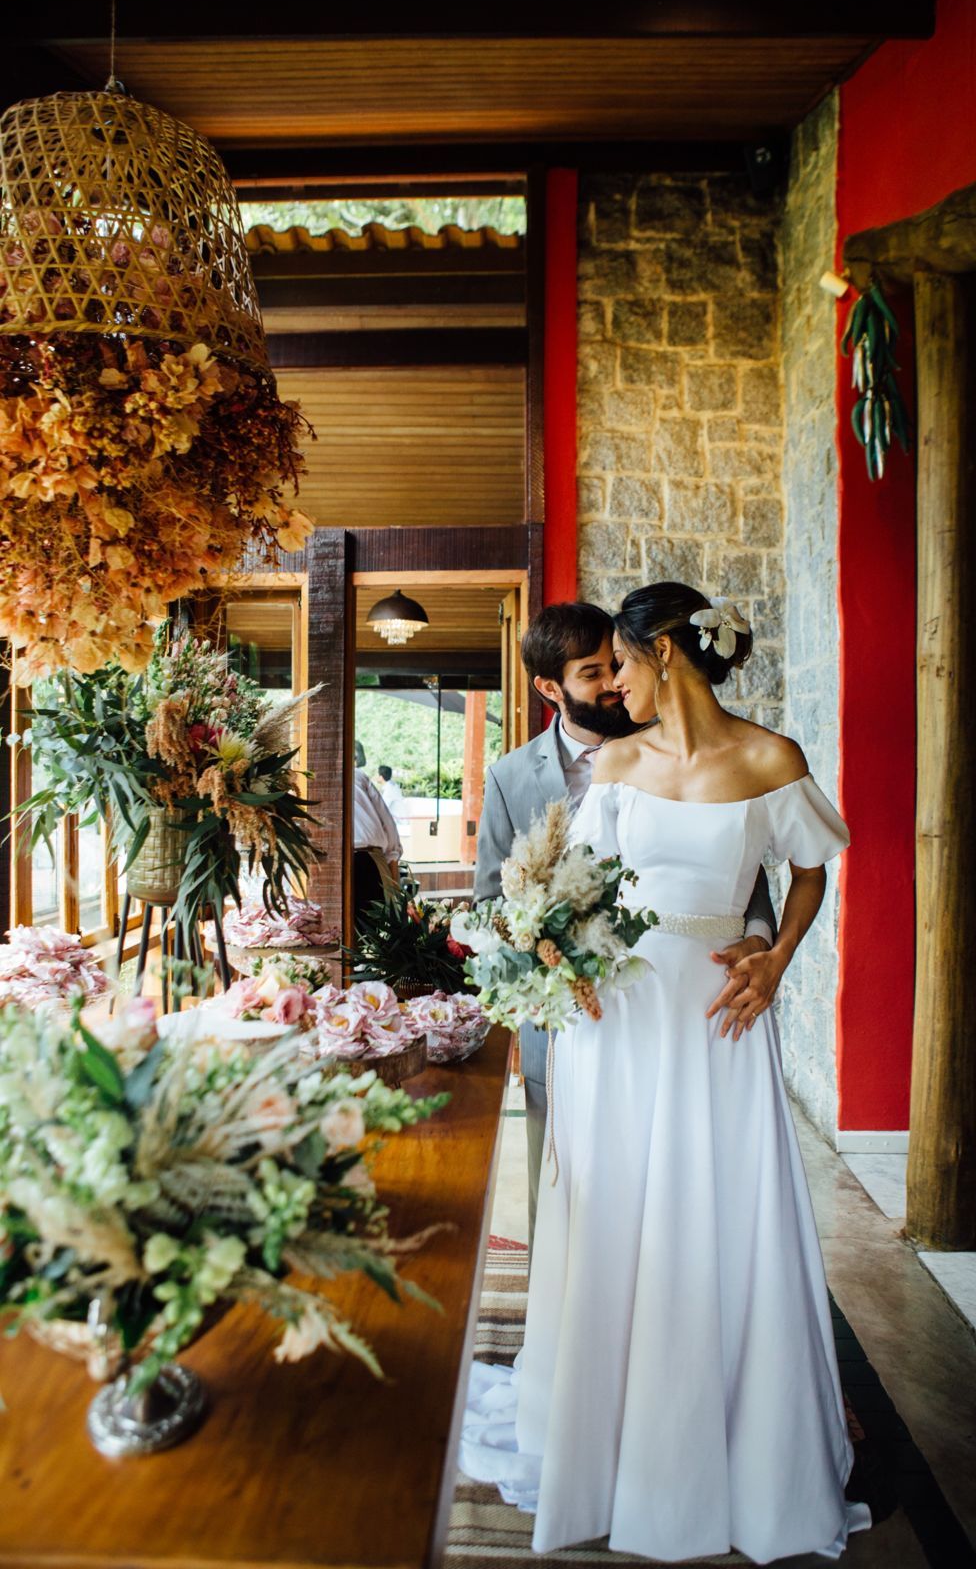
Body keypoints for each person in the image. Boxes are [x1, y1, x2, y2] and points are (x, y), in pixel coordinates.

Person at [462, 582, 867, 1563]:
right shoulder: (616, 760)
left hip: (718, 1020)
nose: (614, 683)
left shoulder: (771, 760)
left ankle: (722, 1444)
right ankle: (603, 1444)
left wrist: (774, 959)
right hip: (617, 1024)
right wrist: (552, 946)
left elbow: (809, 867)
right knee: (618, 1213)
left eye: (623, 664)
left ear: (665, 657)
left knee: (714, 1212)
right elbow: (575, 886)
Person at [473, 601, 775, 1251]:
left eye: (617, 664)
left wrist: (759, 941)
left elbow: (745, 867)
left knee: (682, 1185)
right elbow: (490, 902)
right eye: (592, 673)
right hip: (568, 1016)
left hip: (682, 1003)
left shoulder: (697, 753)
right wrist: (543, 962)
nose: (613, 681)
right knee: (570, 1201)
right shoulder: (508, 777)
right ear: (550, 689)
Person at [352, 766, 402, 932]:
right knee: (377, 936)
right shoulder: (357, 775)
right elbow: (388, 823)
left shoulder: (357, 776)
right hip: (370, 857)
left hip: (369, 858)